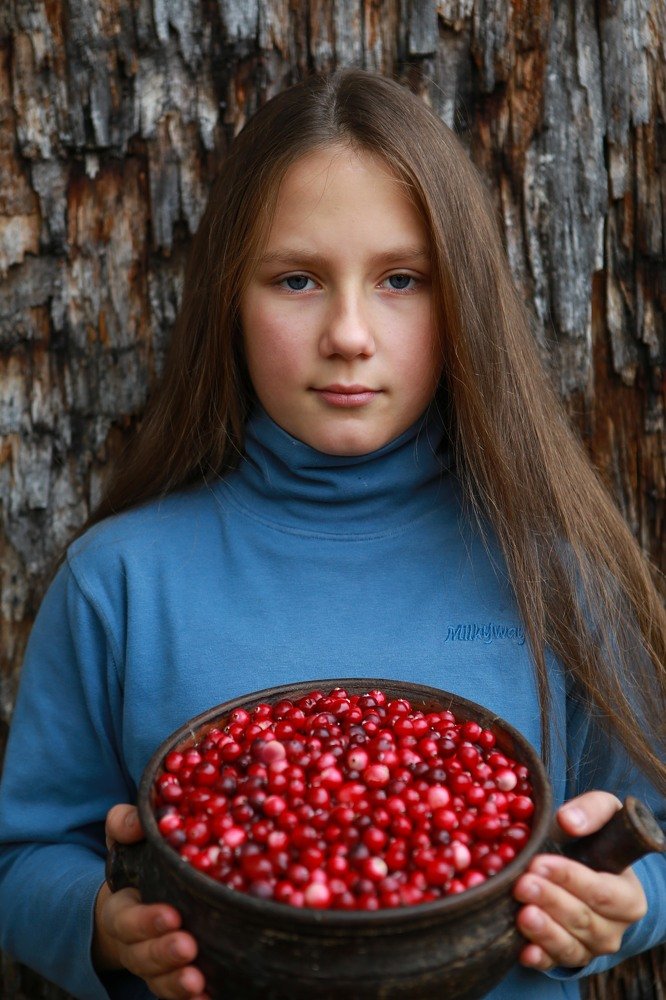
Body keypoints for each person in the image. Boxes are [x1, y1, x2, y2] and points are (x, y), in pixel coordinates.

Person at [0, 68, 664, 1000]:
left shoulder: (559, 574)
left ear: (462, 300)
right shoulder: (120, 581)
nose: (349, 333)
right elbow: (24, 859)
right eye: (298, 280)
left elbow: (653, 834)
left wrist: (615, 907)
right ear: (231, 299)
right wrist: (102, 927)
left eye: (401, 279)